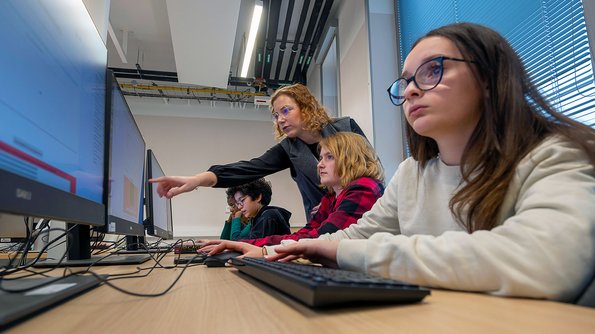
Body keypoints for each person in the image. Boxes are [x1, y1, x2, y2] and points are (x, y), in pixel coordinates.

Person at [258, 23, 595, 303]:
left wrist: (345, 252)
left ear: (489, 78)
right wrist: (272, 250)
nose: (410, 92)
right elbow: (356, 236)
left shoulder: (559, 153)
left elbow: (543, 261)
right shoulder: (411, 174)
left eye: (434, 69)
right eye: (406, 82)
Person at [150, 83, 368, 220]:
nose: (280, 119)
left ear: (306, 107)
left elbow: (371, 173)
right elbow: (249, 169)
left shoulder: (346, 127)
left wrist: (338, 198)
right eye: (276, 115)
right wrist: (197, 180)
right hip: (322, 224)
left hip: (361, 216)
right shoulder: (289, 149)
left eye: (286, 111)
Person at [201, 132, 385, 256]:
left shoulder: (363, 188)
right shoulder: (330, 198)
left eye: (329, 157)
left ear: (350, 158)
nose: (320, 164)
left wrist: (262, 249)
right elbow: (307, 233)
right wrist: (251, 246)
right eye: (320, 158)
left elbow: (321, 237)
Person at [221, 178, 291, 239]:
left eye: (242, 200)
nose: (239, 207)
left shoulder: (269, 216)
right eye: (238, 203)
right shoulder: (256, 218)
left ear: (257, 197)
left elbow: (251, 245)